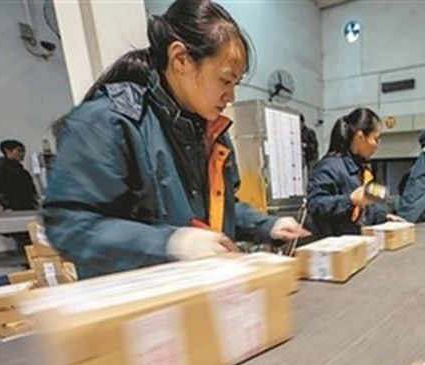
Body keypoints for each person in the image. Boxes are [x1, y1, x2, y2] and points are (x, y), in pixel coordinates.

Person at [44, 0, 308, 279]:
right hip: (141, 299)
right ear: (181, 59)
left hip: (197, 292)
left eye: (236, 84)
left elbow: (220, 208)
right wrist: (171, 243)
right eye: (225, 80)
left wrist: (267, 225)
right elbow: (69, 224)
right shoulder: (109, 122)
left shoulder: (211, 133)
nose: (231, 96)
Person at [307, 108, 399, 236]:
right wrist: (349, 200)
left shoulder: (363, 170)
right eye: (376, 139)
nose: (377, 145)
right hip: (337, 244)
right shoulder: (328, 167)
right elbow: (314, 205)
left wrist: (384, 217)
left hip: (359, 241)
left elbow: (368, 208)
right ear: (360, 137)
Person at [0, 139, 38, 211]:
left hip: (28, 206)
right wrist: (7, 205)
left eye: (23, 151)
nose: (22, 154)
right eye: (19, 150)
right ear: (7, 151)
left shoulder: (22, 171)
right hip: (13, 208)